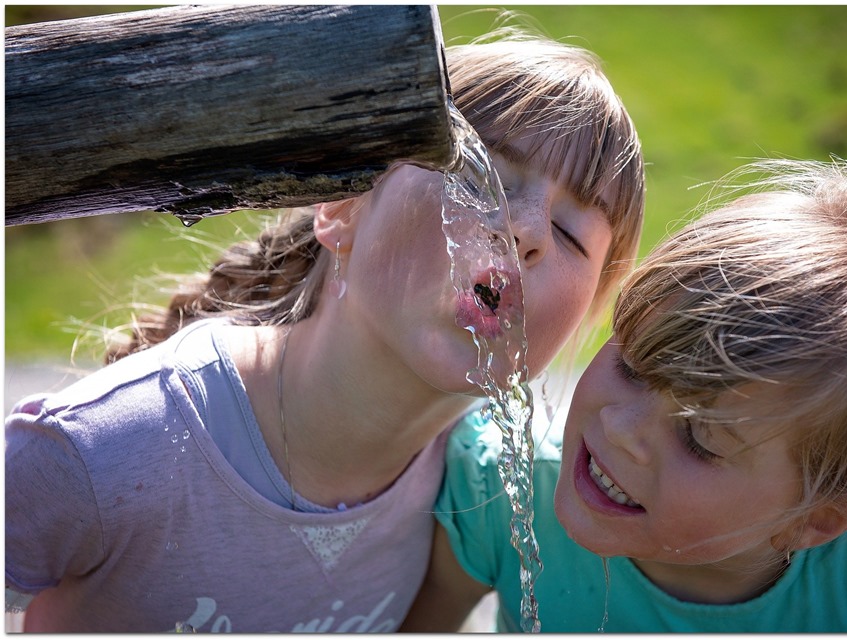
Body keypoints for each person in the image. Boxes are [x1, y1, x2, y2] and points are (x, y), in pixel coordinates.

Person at [4, 31, 645, 632]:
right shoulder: (109, 447)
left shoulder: (479, 493)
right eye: (482, 180)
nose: (526, 232)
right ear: (341, 208)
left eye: (570, 234)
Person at [402, 158, 847, 633]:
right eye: (633, 365)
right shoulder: (503, 490)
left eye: (699, 438)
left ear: (818, 521)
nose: (620, 427)